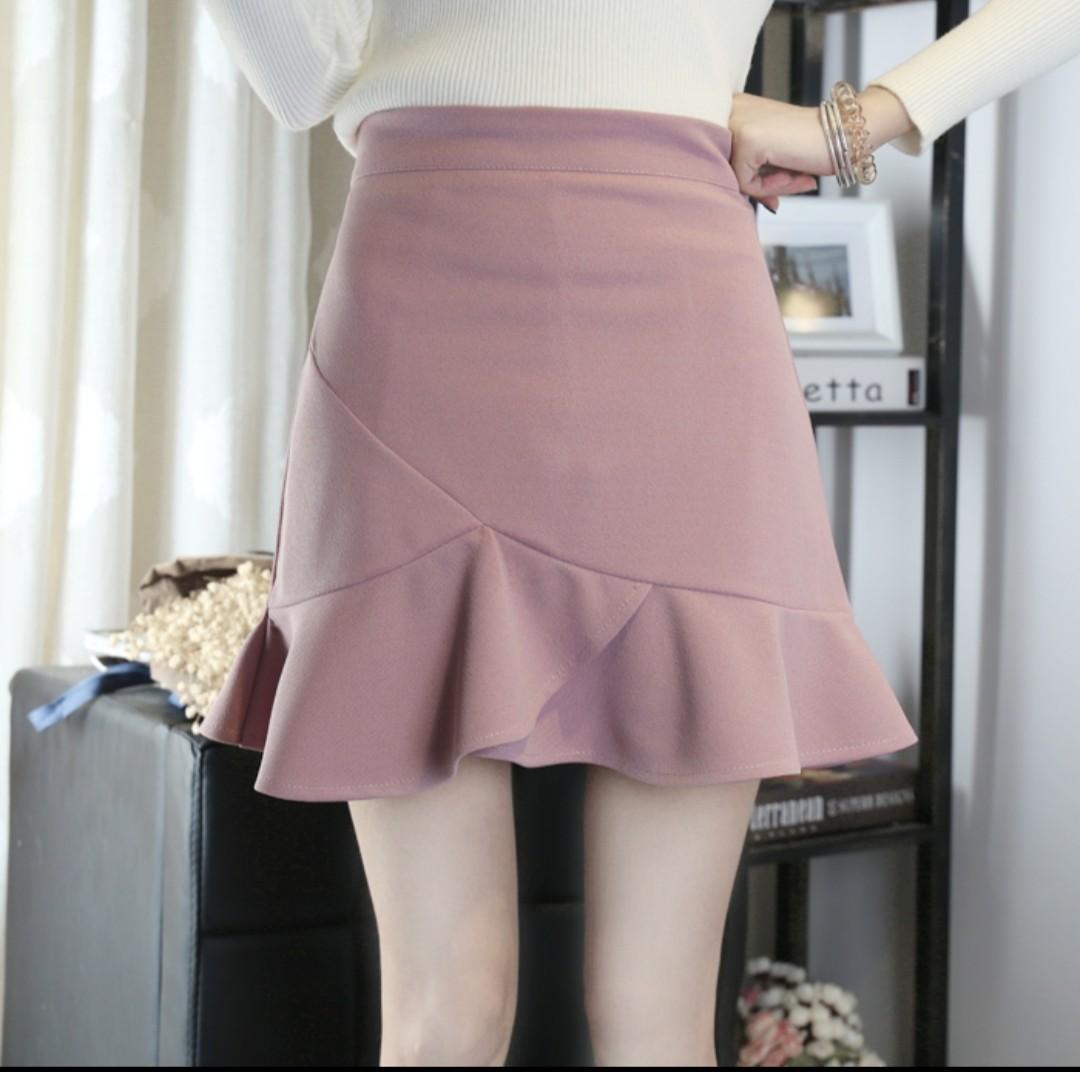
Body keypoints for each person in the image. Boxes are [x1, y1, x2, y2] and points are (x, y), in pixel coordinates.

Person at [197, 1, 1080, 1065]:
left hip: (680, 324)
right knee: (446, 1014)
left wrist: (861, 121)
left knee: (652, 1017)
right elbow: (300, 80)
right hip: (416, 317)